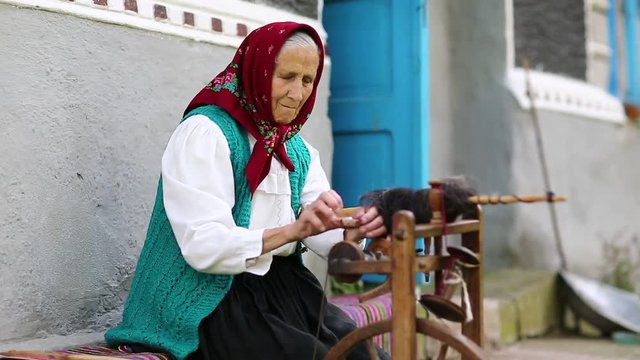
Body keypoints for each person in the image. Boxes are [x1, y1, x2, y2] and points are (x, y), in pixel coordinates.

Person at [105, 21, 389, 360]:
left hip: (283, 289)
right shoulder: (205, 134)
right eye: (286, 77)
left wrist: (349, 231)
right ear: (257, 70)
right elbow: (203, 245)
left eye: (307, 80)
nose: (297, 94)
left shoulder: (295, 149)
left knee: (359, 354)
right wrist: (292, 231)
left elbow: (319, 229)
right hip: (209, 300)